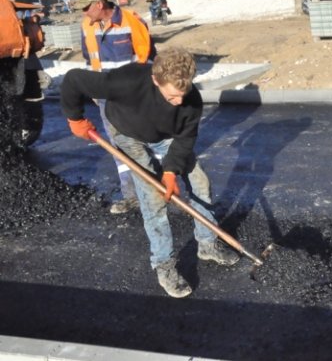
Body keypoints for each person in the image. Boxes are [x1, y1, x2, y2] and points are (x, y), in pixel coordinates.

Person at [60, 47, 240, 298]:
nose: (179, 101)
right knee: (153, 196)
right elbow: (73, 80)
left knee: (200, 182)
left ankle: (207, 243)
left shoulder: (191, 100)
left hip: (165, 137)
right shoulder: (126, 81)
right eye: (172, 97)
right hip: (127, 132)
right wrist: (75, 118)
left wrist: (170, 172)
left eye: (183, 94)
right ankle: (164, 265)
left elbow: (185, 139)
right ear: (156, 81)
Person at [75, 0, 156, 215]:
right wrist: (92, 87)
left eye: (86, 8)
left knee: (143, 142)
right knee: (117, 146)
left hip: (134, 96)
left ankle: (155, 190)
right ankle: (132, 196)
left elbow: (148, 58)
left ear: (99, 4)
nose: (85, 13)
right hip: (105, 98)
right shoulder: (86, 26)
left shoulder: (132, 21)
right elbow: (89, 59)